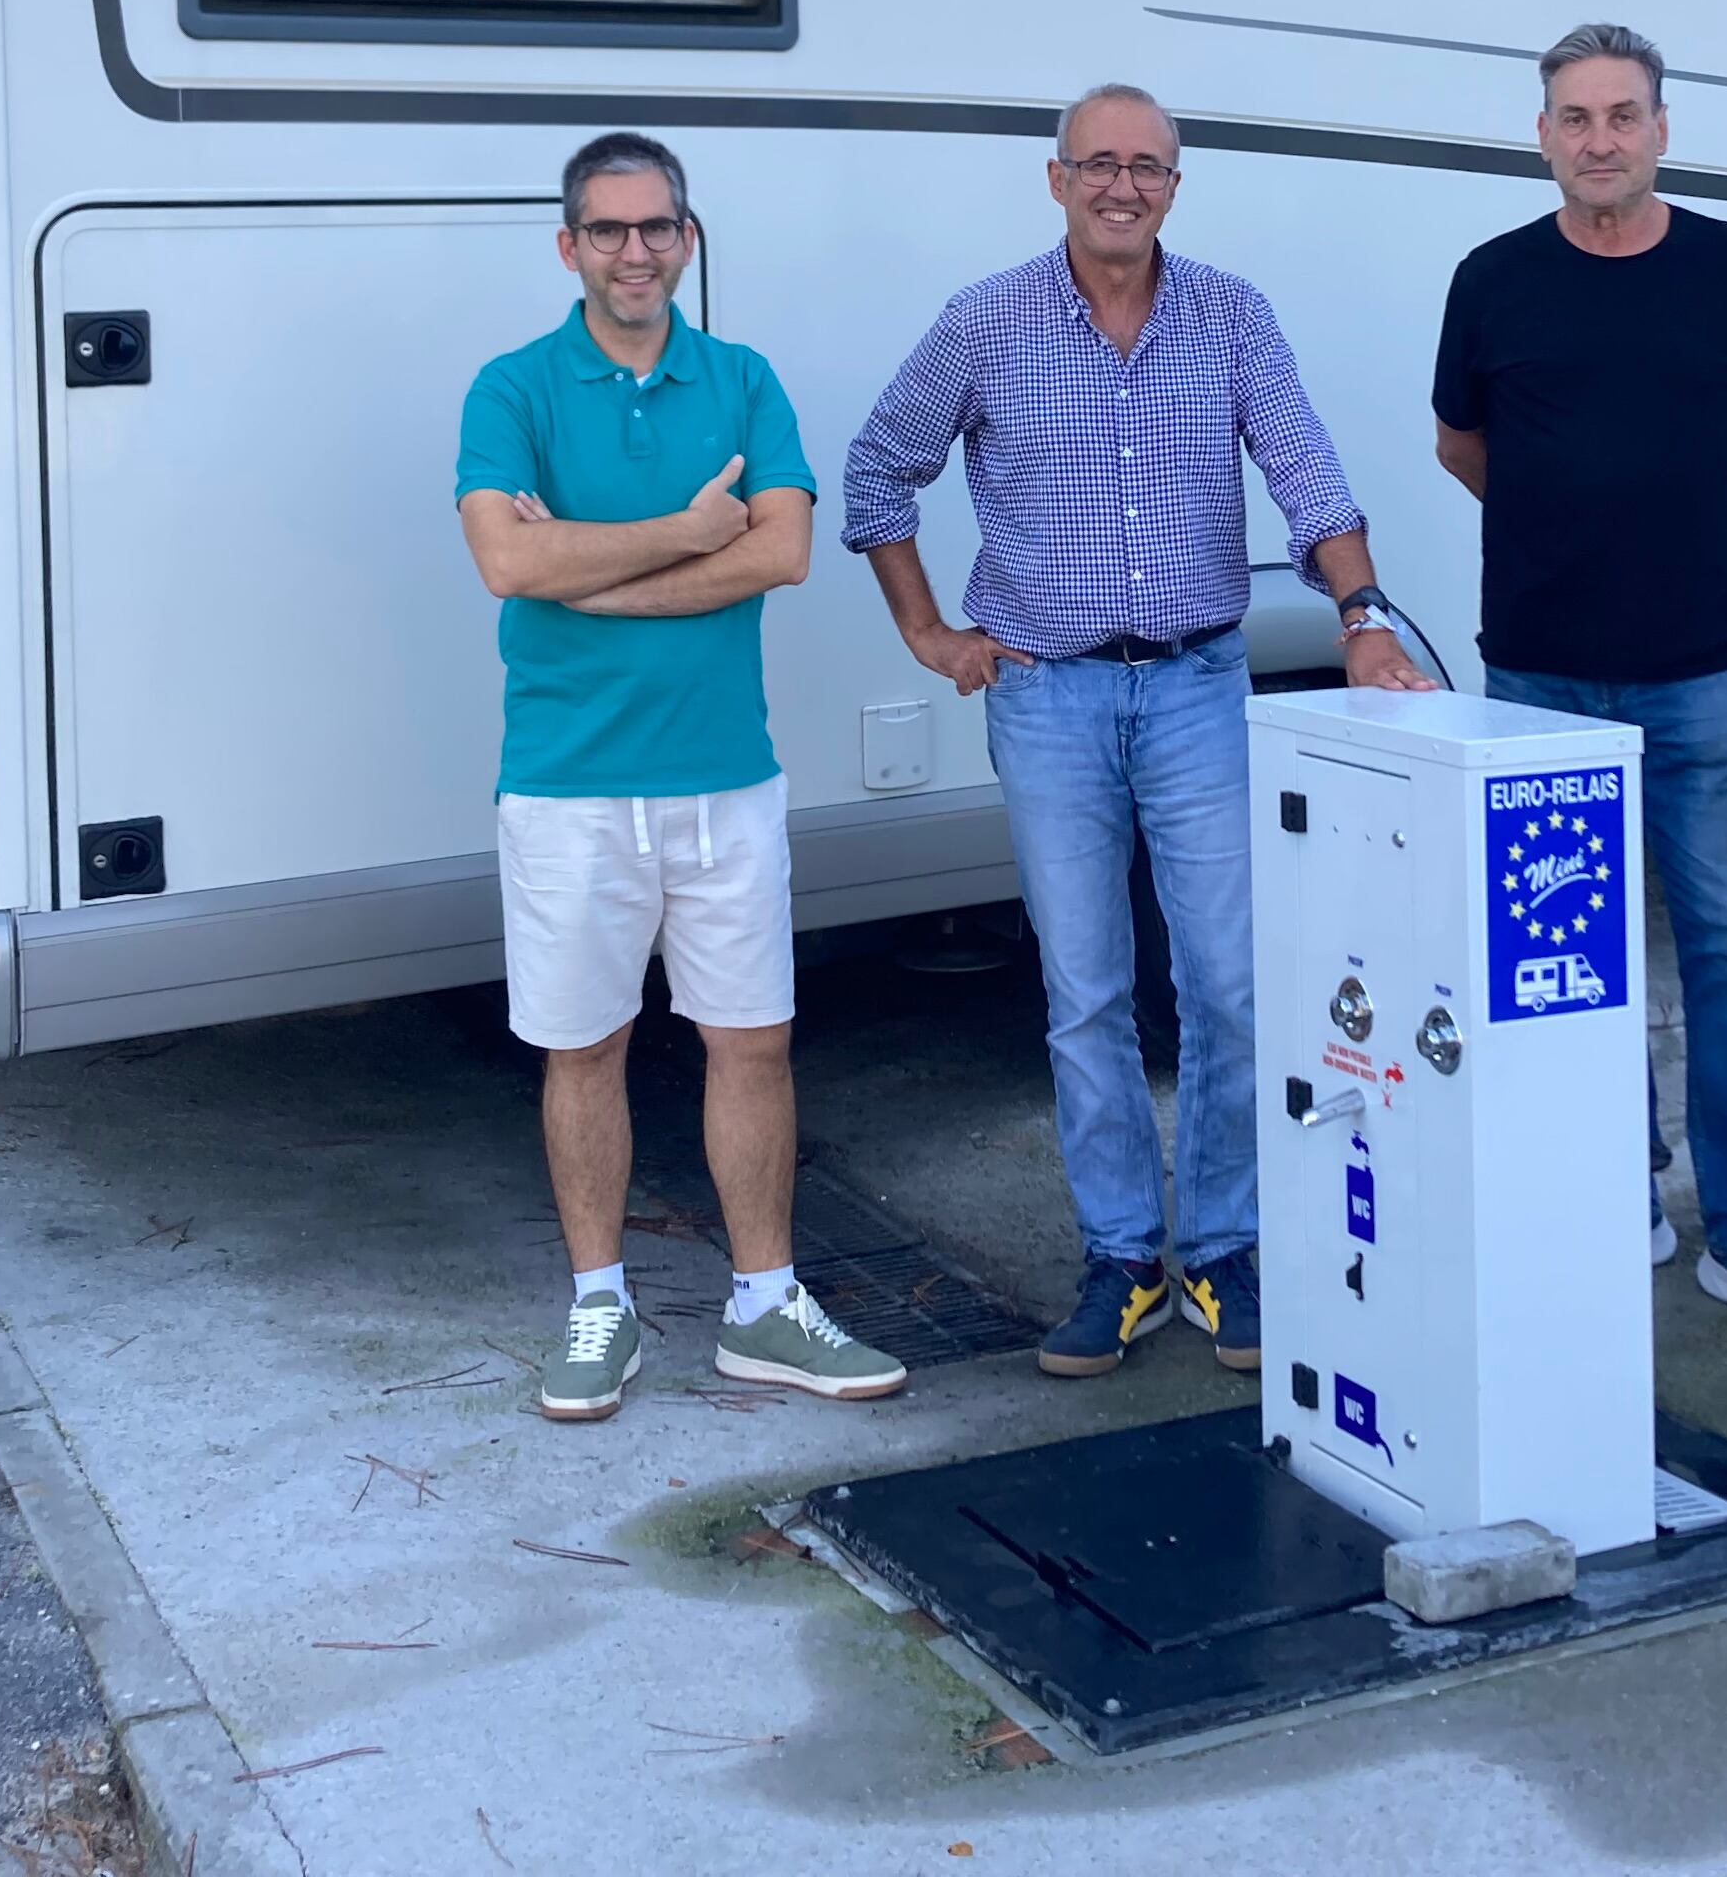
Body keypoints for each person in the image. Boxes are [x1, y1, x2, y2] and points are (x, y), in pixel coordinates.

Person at [845, 83, 1435, 1380]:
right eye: (1098, 165)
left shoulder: (1231, 316)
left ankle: (1220, 1252)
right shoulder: (986, 322)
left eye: (1148, 169)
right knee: (1085, 993)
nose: (1124, 186)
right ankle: (1122, 1260)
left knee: (1228, 985)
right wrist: (928, 634)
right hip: (1047, 697)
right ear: (1055, 179)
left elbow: (1307, 474)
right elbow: (879, 468)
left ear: (1177, 185)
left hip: (1192, 690)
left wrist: (1365, 617)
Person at [454, 130, 907, 1420]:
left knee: (751, 1045)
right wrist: (693, 533)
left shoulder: (744, 380)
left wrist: (598, 570)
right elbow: (508, 567)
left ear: (687, 238)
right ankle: (601, 1306)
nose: (635, 252)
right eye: (608, 230)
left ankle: (765, 1309)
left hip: (726, 780)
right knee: (582, 1050)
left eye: (657, 228)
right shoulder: (513, 388)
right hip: (567, 784)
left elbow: (787, 554)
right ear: (569, 247)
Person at [1431, 23, 1727, 1345]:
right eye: (1575, 118)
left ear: (1662, 128)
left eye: (1622, 115)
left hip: (1701, 676)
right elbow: (1463, 444)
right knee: (1568, 958)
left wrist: (1657, 525)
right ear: (1542, 135)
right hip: (1538, 679)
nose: (1600, 139)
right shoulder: (1493, 279)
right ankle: (1612, 1195)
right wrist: (1579, 526)